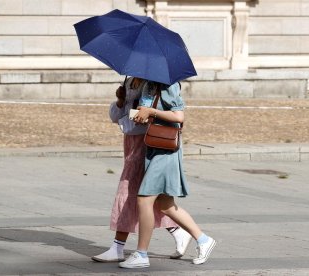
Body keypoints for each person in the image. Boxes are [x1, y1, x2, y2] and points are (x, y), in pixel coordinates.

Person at [92, 77, 192, 263]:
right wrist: (121, 101)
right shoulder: (129, 82)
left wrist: (145, 111)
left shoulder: (152, 83)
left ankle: (118, 247)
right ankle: (178, 232)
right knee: (147, 195)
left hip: (147, 141)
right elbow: (117, 117)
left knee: (129, 191)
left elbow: (160, 115)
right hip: (130, 141)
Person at [119, 81, 216, 269]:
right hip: (154, 146)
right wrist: (141, 113)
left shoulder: (168, 85)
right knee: (165, 205)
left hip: (166, 151)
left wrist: (152, 112)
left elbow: (178, 116)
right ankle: (204, 240)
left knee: (144, 200)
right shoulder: (149, 85)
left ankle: (141, 253)